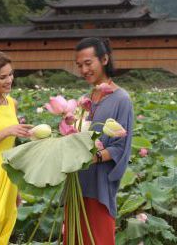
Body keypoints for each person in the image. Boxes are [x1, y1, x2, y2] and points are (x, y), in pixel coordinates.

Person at [66, 37, 133, 245]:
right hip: (76, 183)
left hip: (100, 186)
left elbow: (120, 147)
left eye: (88, 63)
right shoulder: (85, 100)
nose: (84, 70)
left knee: (98, 240)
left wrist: (92, 157)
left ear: (104, 59)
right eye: (79, 66)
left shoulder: (122, 99)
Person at [0, 49, 31, 245]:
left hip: (8, 173)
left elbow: (13, 144)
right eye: (2, 77)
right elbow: (7, 133)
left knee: (5, 227)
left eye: (11, 74)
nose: (9, 80)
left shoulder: (12, 103)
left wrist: (17, 188)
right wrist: (7, 131)